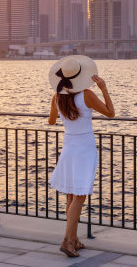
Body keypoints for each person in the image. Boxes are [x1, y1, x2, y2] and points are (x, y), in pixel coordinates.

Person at [47, 55, 115, 257]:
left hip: (69, 147)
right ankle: (67, 241)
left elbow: (51, 121)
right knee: (80, 195)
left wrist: (61, 113)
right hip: (85, 148)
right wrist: (103, 88)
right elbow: (110, 112)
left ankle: (74, 239)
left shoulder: (57, 96)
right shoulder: (86, 95)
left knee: (71, 193)